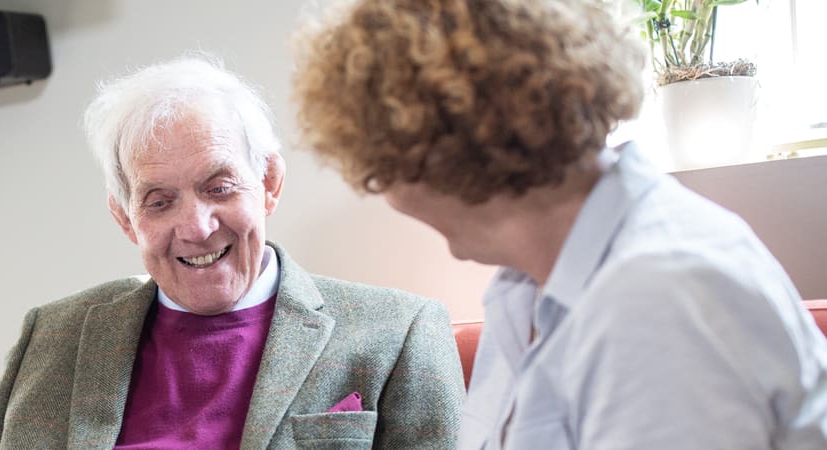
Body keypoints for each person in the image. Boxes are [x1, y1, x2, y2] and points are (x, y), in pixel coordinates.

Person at [291, 0, 827, 449]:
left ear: (442, 150)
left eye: (378, 160)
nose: (380, 189)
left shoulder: (659, 294)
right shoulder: (528, 285)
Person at [0, 55, 464, 449]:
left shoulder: (399, 332)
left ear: (268, 183)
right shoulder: (53, 335)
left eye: (219, 188)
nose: (196, 228)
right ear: (126, 218)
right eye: (159, 201)